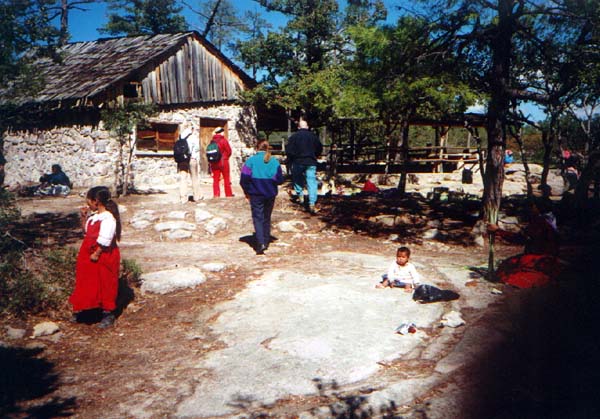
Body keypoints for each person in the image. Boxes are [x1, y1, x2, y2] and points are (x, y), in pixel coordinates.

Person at [69, 186, 121, 328]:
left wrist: (96, 253)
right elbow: (86, 233)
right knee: (89, 282)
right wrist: (83, 217)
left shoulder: (108, 218)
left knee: (105, 282)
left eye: (89, 202)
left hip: (103, 255)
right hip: (89, 254)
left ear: (96, 201)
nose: (88, 204)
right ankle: (89, 309)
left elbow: (106, 238)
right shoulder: (94, 217)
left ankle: (108, 313)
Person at [487, 197, 560, 288]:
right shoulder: (550, 219)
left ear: (536, 208)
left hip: (539, 258)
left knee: (507, 270)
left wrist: (498, 230)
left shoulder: (540, 222)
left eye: (533, 207)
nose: (531, 209)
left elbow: (520, 238)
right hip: (548, 257)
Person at [240, 139, 283, 255]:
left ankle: (260, 243)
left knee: (257, 217)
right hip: (270, 193)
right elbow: (280, 179)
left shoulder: (250, 161)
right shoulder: (274, 161)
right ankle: (266, 240)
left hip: (255, 194)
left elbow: (243, 179)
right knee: (266, 217)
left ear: (257, 148)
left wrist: (247, 191)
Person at [285, 119, 323, 214]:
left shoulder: (293, 137)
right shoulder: (313, 136)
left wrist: (291, 158)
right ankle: (312, 202)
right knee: (311, 181)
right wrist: (315, 155)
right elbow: (319, 148)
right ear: (307, 127)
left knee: (297, 179)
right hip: (311, 161)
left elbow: (289, 150)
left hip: (298, 161)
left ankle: (300, 196)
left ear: (298, 127)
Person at [177, 127, 202, 203]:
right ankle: (196, 196)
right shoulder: (193, 137)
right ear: (192, 130)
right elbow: (197, 148)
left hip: (182, 160)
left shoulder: (181, 137)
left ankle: (183, 198)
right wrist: (195, 157)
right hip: (191, 158)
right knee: (194, 177)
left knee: (183, 178)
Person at [210, 127, 234, 198]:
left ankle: (216, 195)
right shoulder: (224, 140)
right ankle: (228, 194)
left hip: (214, 163)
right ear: (221, 132)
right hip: (224, 162)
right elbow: (229, 151)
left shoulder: (212, 141)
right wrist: (226, 157)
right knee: (226, 178)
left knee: (216, 179)